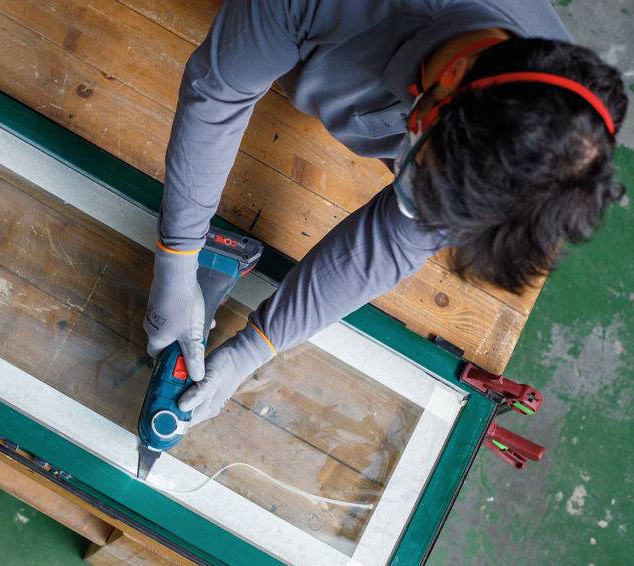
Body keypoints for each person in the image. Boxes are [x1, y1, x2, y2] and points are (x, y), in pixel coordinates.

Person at [143, 0, 628, 426]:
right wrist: (178, 252)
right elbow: (221, 93)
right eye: (423, 182)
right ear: (452, 77)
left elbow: (395, 242)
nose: (424, 219)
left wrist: (256, 346)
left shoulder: (539, 128)